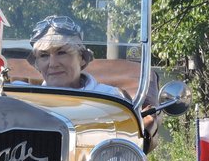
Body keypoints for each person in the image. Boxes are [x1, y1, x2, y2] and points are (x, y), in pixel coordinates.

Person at [27, 15, 161, 151]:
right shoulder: (25, 101)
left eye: (62, 52)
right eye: (44, 55)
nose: (53, 64)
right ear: (36, 64)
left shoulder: (110, 99)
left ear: (82, 59)